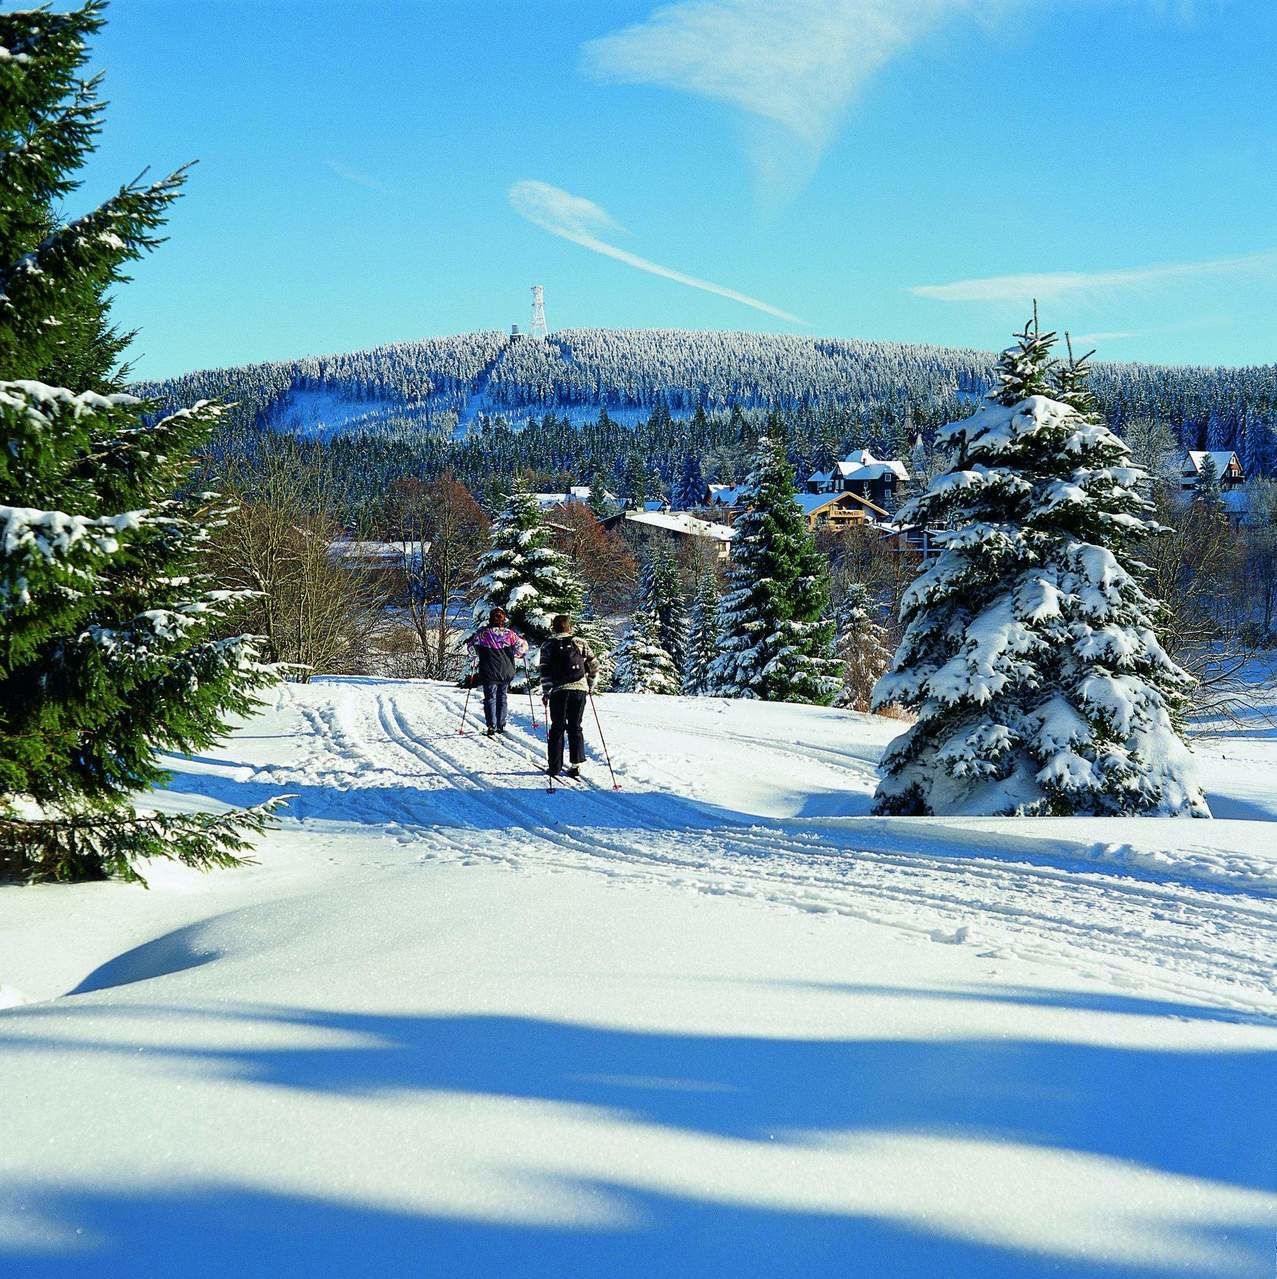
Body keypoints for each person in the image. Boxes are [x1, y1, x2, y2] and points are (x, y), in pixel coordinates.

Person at [539, 613, 600, 779]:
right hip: (579, 690)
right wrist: (590, 685)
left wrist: (546, 692)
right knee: (575, 726)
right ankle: (576, 765)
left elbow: (545, 671)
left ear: (553, 627)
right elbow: (594, 665)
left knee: (557, 727)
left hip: (559, 691)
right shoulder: (580, 642)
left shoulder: (547, 645)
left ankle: (554, 767)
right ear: (569, 627)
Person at [466, 607, 529, 736]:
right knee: (502, 696)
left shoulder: (483, 634)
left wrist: (476, 654)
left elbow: (471, 647)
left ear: (490, 618)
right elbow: (523, 647)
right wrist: (517, 654)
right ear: (503, 619)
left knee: (490, 698)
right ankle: (501, 724)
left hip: (489, 670)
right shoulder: (510, 634)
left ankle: (491, 725)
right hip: (506, 670)